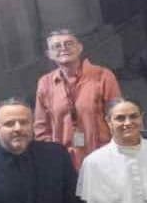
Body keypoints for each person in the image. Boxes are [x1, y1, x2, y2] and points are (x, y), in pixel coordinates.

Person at [33, 28, 122, 168]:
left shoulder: (102, 76)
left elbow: (118, 116)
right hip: (64, 161)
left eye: (69, 43)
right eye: (57, 46)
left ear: (79, 47)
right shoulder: (45, 83)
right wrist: (52, 155)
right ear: (49, 54)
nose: (63, 48)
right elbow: (41, 127)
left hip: (103, 154)